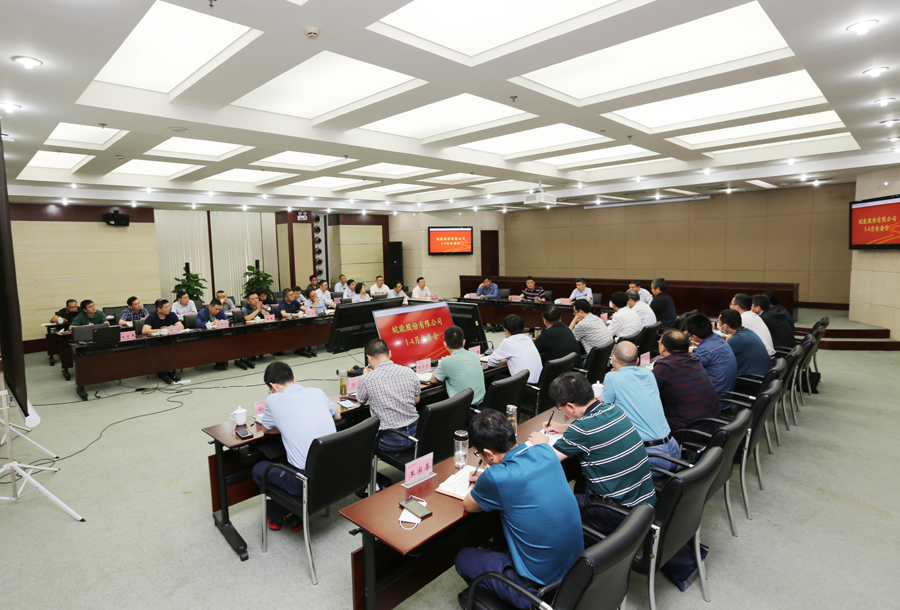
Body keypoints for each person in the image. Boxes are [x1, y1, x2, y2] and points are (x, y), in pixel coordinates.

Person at [457, 410, 584, 610]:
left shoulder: (497, 476)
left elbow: (469, 505)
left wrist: (488, 477)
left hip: (540, 588)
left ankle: (516, 599)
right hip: (575, 571)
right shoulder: (544, 451)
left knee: (464, 558)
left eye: (479, 454)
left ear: (488, 454)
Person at [528, 372, 655, 535]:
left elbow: (546, 459)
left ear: (571, 406)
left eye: (560, 406)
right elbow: (594, 430)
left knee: (548, 502)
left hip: (619, 513)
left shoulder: (582, 428)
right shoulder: (614, 409)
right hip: (644, 503)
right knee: (580, 483)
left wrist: (540, 443)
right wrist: (564, 427)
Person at [252, 361, 340, 531]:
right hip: (334, 473)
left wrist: (286, 425)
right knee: (287, 460)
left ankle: (280, 514)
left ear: (273, 386)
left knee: (259, 468)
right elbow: (337, 415)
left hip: (305, 482)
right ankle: (291, 514)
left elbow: (266, 429)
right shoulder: (317, 391)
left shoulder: (274, 399)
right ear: (294, 377)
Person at [600, 342, 680, 472]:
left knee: (601, 462)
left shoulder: (611, 377)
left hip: (652, 456)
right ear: (637, 360)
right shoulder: (648, 374)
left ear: (613, 359)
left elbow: (604, 409)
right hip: (674, 450)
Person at [357, 338, 421, 452]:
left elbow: (361, 401)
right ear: (390, 353)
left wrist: (365, 376)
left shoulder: (366, 379)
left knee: (360, 439)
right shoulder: (408, 371)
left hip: (389, 441)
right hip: (415, 435)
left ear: (369, 358)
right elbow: (416, 400)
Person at [652, 330, 720, 431]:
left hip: (688, 429)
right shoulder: (694, 360)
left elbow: (645, 391)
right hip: (711, 423)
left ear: (663, 348)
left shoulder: (665, 366)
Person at [685, 313, 736, 403]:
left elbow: (685, 369)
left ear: (694, 337)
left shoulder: (705, 350)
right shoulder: (718, 338)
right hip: (725, 394)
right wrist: (694, 350)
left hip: (713, 400)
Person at [430, 326, 486, 406]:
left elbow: (433, 380)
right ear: (464, 342)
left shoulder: (446, 361)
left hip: (464, 410)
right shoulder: (474, 355)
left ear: (445, 344)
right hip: (482, 406)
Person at [487, 314, 543, 384]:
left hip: (525, 385)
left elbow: (491, 363)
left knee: (492, 377)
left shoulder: (508, 342)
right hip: (539, 382)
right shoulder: (528, 339)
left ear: (506, 330)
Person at [718, 309, 770, 377]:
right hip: (761, 374)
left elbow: (717, 357)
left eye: (719, 322)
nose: (718, 324)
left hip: (750, 379)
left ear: (725, 326)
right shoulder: (747, 331)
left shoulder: (737, 339)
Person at [142, 299, 184, 383]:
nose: (169, 308)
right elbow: (144, 330)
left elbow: (181, 327)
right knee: (161, 350)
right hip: (156, 343)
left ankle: (169, 370)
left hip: (170, 341)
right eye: (166, 307)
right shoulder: (152, 317)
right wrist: (161, 330)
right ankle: (163, 372)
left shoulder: (172, 315)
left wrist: (171, 328)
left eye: (169, 306)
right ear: (159, 309)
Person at [197, 299, 231, 370]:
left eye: (219, 309)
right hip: (205, 335)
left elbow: (228, 320)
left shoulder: (221, 312)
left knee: (225, 340)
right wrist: (211, 323)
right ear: (210, 307)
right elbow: (198, 324)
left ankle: (221, 360)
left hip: (218, 334)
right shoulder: (202, 313)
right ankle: (218, 360)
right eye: (216, 309)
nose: (218, 311)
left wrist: (226, 321)